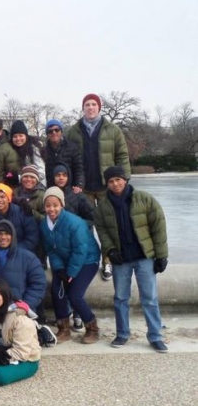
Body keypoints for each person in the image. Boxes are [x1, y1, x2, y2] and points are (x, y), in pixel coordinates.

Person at [94, 166, 169, 352]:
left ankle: (155, 336)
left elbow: (158, 226)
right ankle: (122, 333)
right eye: (111, 181)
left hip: (144, 256)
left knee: (150, 298)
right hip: (121, 259)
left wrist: (161, 255)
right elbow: (101, 230)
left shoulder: (144, 199)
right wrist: (110, 250)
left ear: (125, 179)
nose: (115, 184)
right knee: (120, 298)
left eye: (118, 180)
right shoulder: (103, 205)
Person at [67, 93, 131, 281]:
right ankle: (87, 261)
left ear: (99, 107)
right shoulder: (73, 131)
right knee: (84, 227)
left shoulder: (113, 130)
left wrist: (123, 180)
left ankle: (107, 261)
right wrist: (72, 183)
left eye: (94, 104)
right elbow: (69, 158)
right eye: (87, 104)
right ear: (83, 108)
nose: (90, 107)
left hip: (106, 186)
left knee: (109, 225)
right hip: (83, 188)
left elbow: (122, 156)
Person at [40, 187, 101, 344]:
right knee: (57, 290)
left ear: (62, 205)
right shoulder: (44, 225)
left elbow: (80, 250)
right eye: (48, 205)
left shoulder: (75, 223)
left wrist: (71, 273)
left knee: (74, 294)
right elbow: (50, 249)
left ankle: (92, 327)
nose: (51, 209)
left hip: (88, 260)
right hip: (65, 262)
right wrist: (59, 268)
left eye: (55, 205)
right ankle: (63, 329)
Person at [0, 220, 46, 312]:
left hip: (21, 313)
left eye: (7, 234)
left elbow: (38, 284)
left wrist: (25, 305)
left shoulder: (28, 258)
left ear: (13, 236)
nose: (3, 237)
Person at [0, 183, 39, 253]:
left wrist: (12, 251)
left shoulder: (22, 212)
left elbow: (32, 238)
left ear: (8, 199)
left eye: (2, 197)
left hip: (22, 253)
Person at [42, 119, 84, 193]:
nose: (54, 133)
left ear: (61, 132)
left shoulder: (72, 147)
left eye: (57, 130)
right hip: (51, 190)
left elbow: (78, 168)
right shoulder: (43, 151)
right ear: (47, 134)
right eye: (50, 131)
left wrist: (79, 184)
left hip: (71, 189)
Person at [52, 162, 95, 228]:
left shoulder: (77, 194)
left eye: (64, 175)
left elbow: (93, 216)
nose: (61, 178)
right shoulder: (50, 195)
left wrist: (78, 225)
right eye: (58, 175)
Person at [8, 120, 46, 186]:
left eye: (20, 135)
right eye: (15, 136)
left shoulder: (33, 149)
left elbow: (41, 173)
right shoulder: (11, 149)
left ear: (26, 136)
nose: (18, 139)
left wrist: (20, 178)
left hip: (37, 186)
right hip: (20, 188)